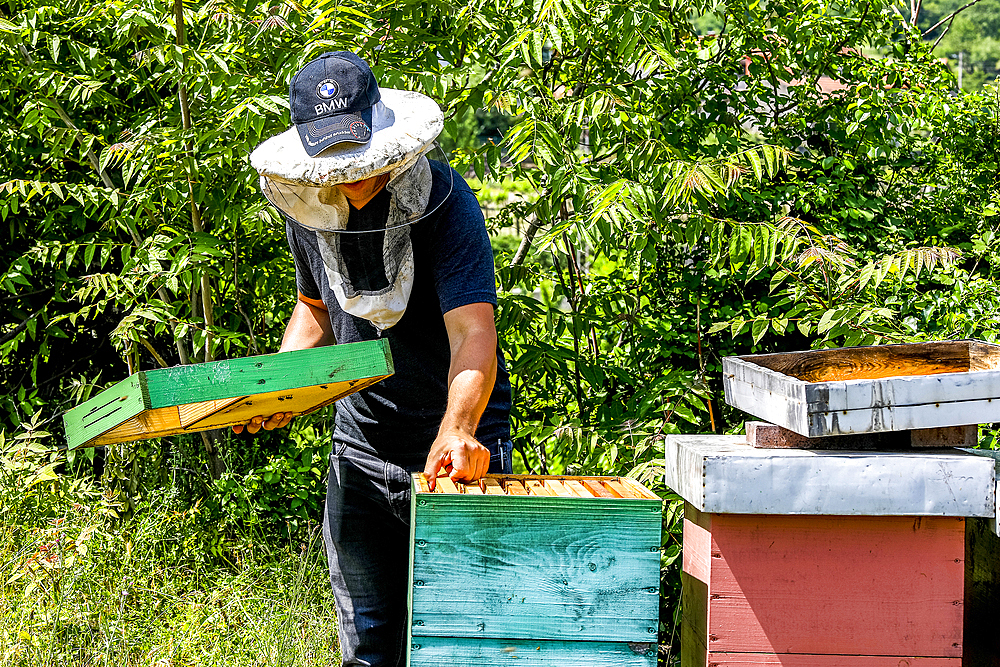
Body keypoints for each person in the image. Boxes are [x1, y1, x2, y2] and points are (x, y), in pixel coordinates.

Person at [242, 51, 513, 667]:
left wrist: (460, 429)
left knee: (460, 638)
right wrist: (279, 388)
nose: (351, 172)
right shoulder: (307, 211)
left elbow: (473, 330)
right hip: (360, 443)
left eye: (357, 150)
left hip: (456, 444)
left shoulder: (445, 203)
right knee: (366, 638)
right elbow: (314, 309)